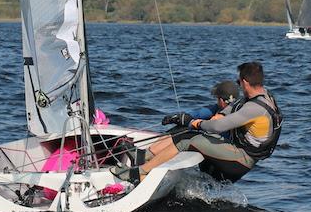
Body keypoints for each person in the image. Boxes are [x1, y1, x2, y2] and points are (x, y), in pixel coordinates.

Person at [113, 62, 281, 185]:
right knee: (187, 133)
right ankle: (143, 157)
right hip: (237, 151)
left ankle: (140, 173)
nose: (239, 86)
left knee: (188, 140)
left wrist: (193, 122)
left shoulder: (254, 109)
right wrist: (219, 114)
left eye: (239, 82)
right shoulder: (263, 96)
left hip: (241, 160)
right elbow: (234, 107)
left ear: (244, 82)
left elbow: (217, 127)